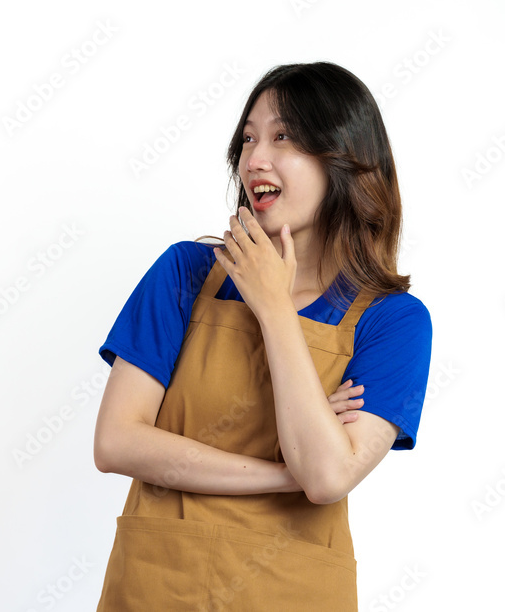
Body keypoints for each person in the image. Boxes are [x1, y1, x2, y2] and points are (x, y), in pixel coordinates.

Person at [92, 62, 433, 610]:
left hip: (293, 591)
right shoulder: (185, 274)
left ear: (343, 159)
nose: (255, 159)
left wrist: (274, 308)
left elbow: (324, 476)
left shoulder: (394, 322)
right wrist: (281, 475)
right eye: (248, 138)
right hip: (157, 585)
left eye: (284, 137)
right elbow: (115, 443)